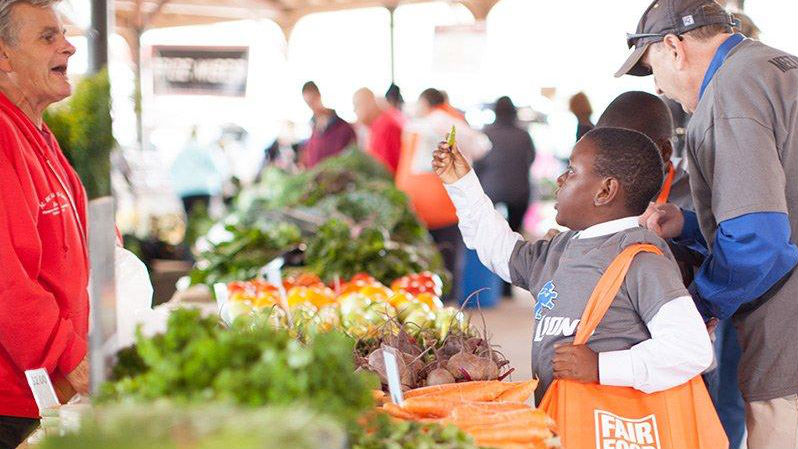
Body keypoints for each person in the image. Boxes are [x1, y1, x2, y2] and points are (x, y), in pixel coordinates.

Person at [616, 1, 798, 447]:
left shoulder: (730, 91)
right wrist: (691, 224)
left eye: (651, 66)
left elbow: (759, 241)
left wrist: (698, 307)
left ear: (674, 48)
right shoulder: (780, 67)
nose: (658, 87)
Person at [433, 126, 712, 402]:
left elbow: (691, 348)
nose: (560, 178)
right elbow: (502, 250)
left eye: (572, 170)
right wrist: (462, 183)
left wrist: (602, 367)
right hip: (561, 419)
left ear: (605, 191)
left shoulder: (642, 259)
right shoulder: (560, 248)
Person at [0, 1, 90, 447]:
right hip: (11, 403)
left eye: (64, 34)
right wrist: (72, 356)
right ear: (3, 56)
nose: (69, 48)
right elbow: (5, 279)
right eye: (48, 37)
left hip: (48, 393)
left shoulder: (37, 132)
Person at [396, 88, 491, 301]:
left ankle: (427, 303)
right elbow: (481, 146)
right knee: (448, 260)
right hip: (443, 206)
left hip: (417, 205)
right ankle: (446, 304)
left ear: (425, 103)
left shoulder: (415, 124)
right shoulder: (444, 120)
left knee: (423, 262)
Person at [596, 91, 691, 210]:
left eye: (625, 155)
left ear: (664, 152)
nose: (612, 165)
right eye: (604, 153)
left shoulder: (695, 204)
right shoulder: (597, 193)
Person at [299, 81, 356, 168]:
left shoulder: (344, 128)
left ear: (319, 96)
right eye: (308, 103)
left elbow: (352, 159)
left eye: (313, 100)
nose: (312, 106)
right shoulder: (314, 130)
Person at [353, 87, 402, 174]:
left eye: (357, 105)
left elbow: (389, 168)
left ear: (370, 103)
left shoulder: (386, 126)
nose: (354, 111)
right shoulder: (374, 127)